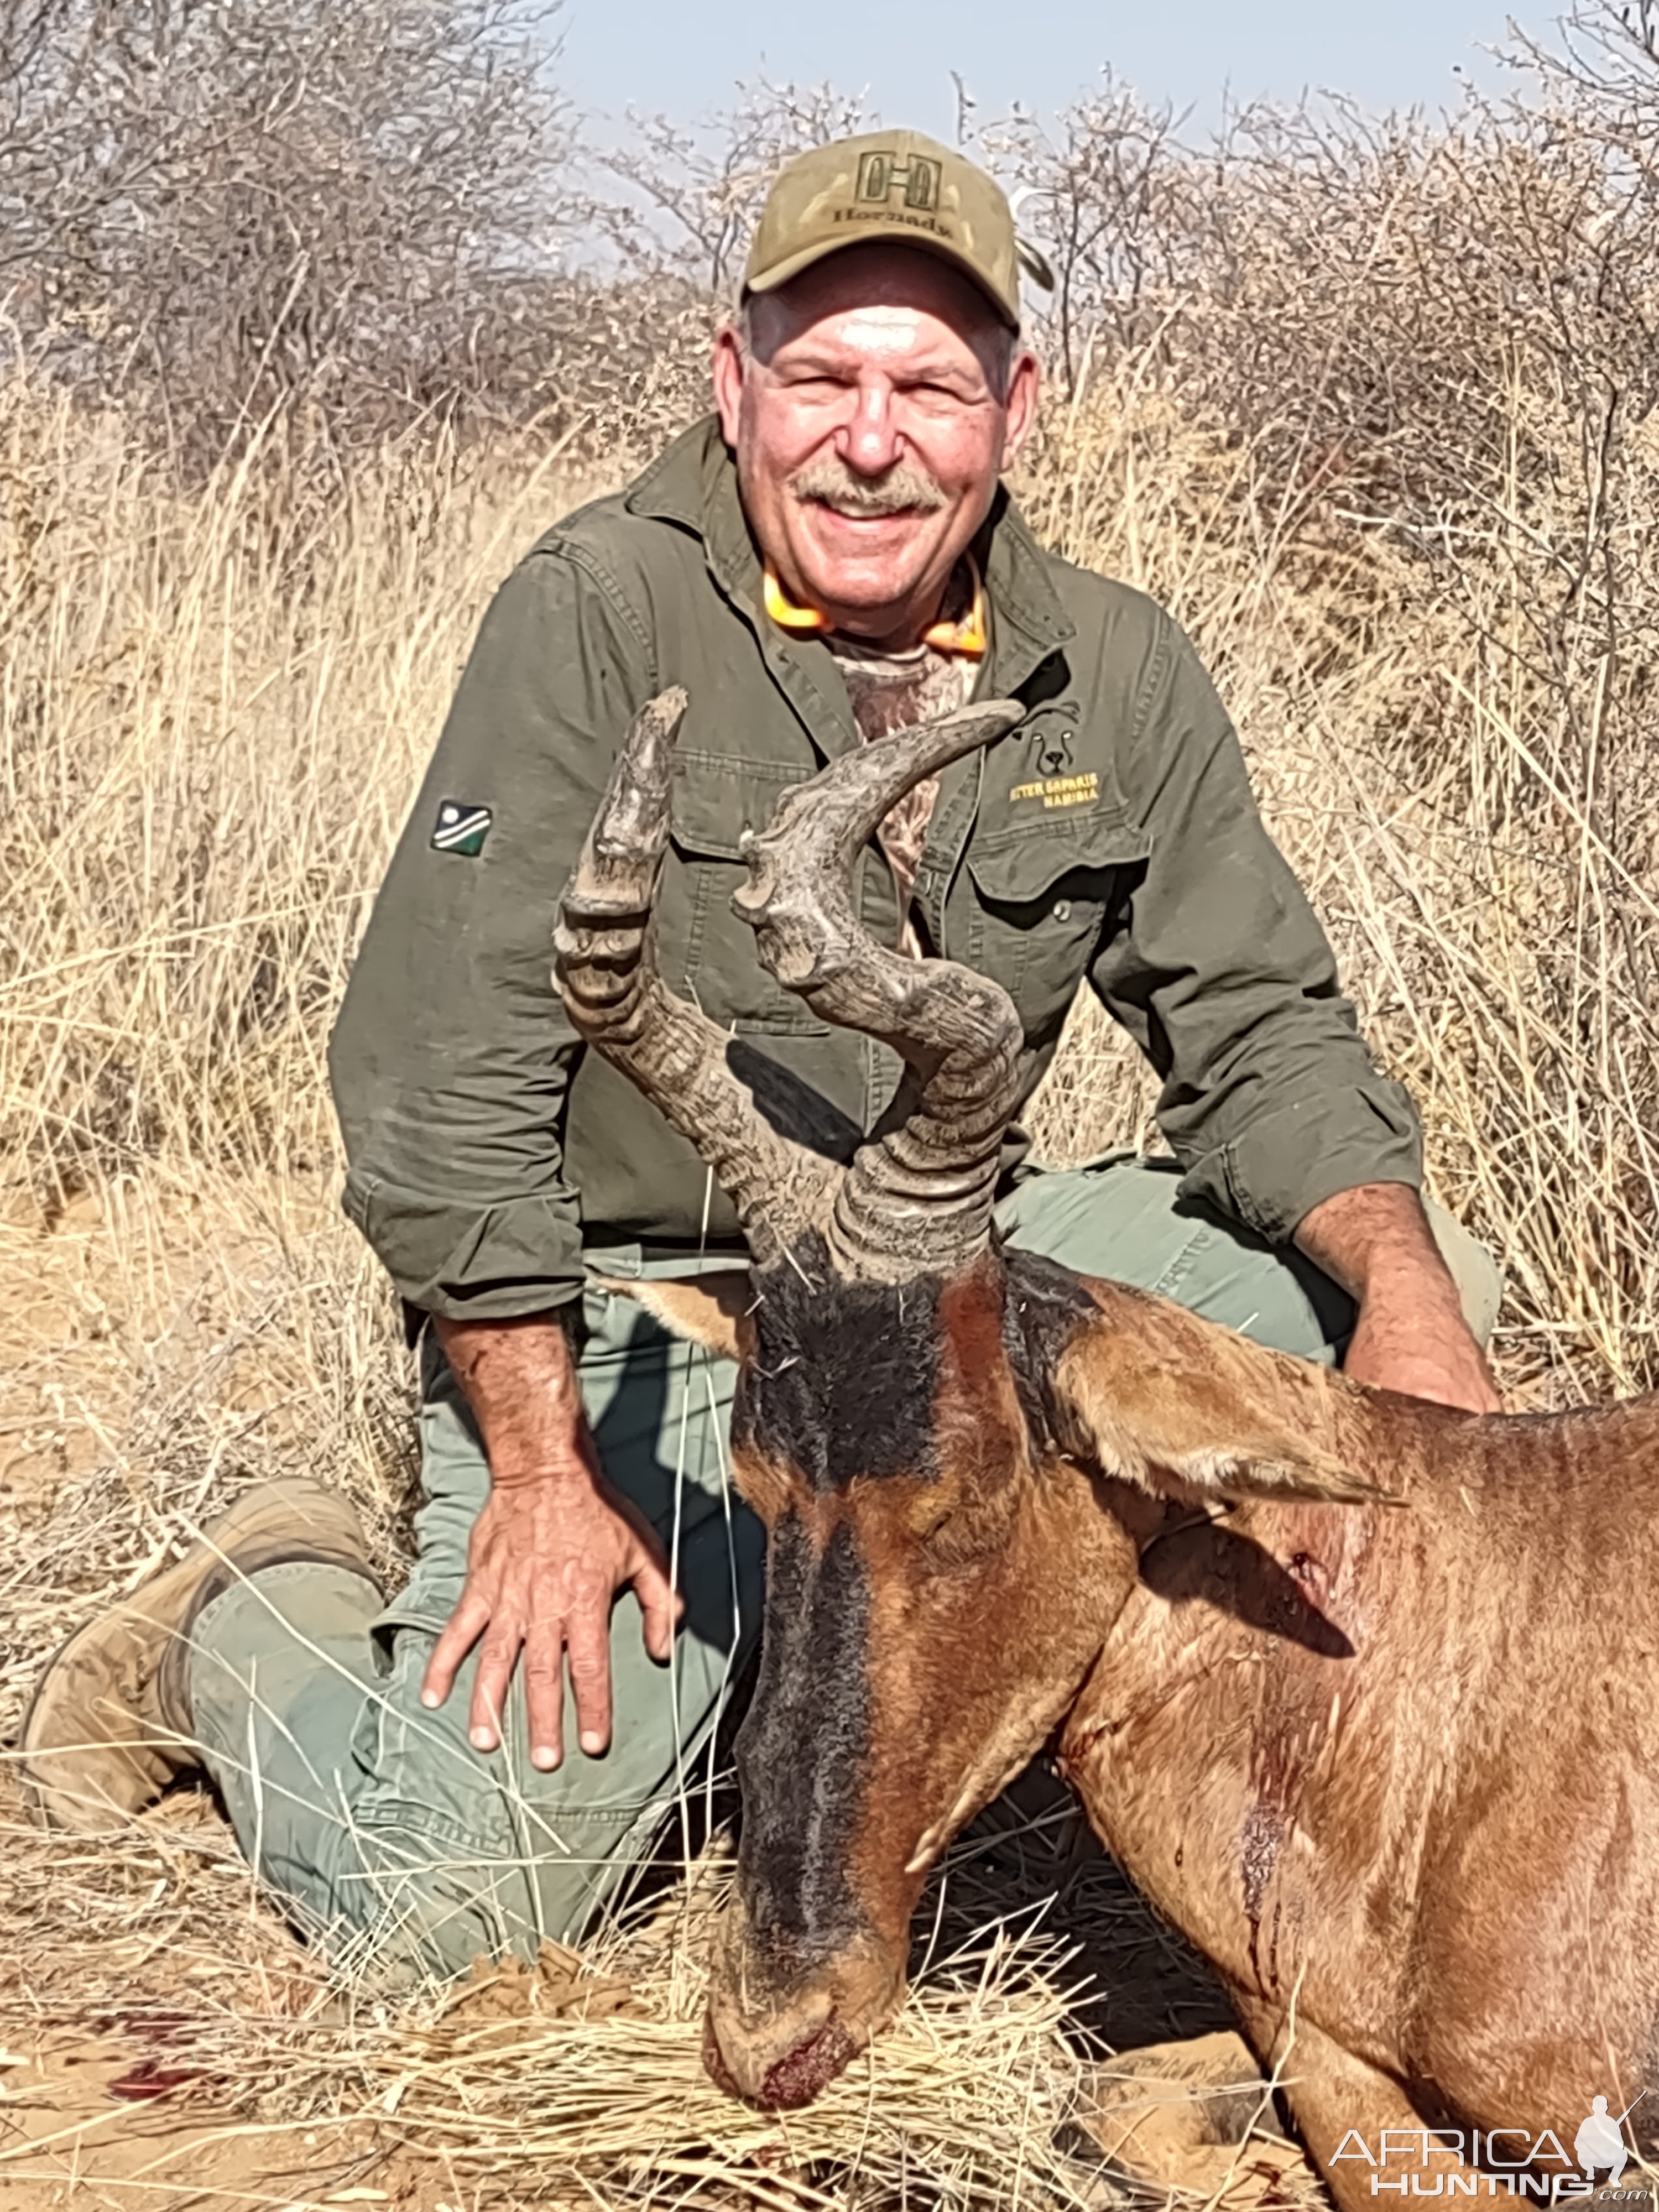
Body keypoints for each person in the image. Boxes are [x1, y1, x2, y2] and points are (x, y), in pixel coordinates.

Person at [21, 131, 1503, 1976]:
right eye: (822, 376)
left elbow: (1262, 1028)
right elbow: (438, 1065)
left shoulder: (1114, 666)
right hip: (668, 1338)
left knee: (1365, 1273)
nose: (870, 439)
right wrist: (547, 1473)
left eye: (929, 386)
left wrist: (1411, 1312)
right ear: (735, 382)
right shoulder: (592, 611)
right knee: (435, 1906)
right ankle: (252, 1615)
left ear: (1013, 407)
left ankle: (910, 1669)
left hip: (957, 1308)